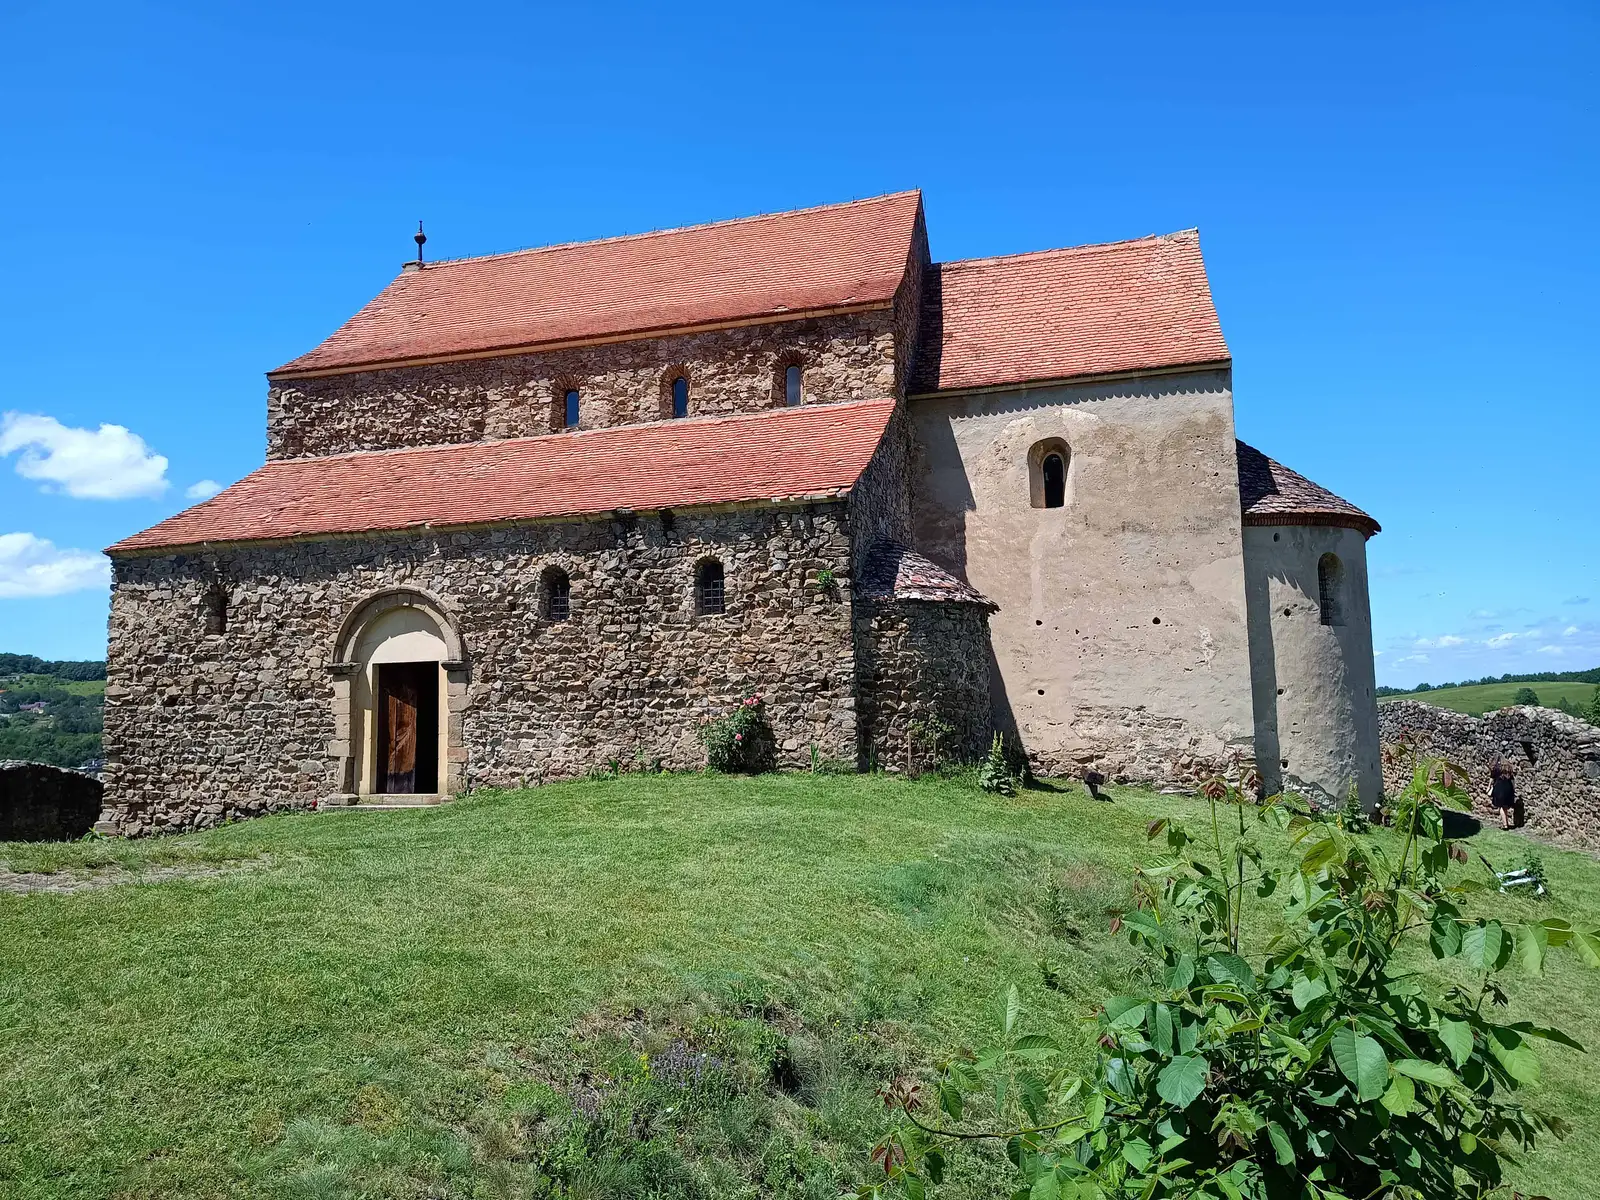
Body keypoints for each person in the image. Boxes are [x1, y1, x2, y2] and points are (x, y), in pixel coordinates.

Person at [1488, 759, 1516, 831]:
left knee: (1501, 807)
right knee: (1505, 807)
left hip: (1499, 789)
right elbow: (1513, 781)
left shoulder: (1497, 769)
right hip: (1508, 789)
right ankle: (1506, 822)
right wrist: (1513, 790)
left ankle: (1505, 825)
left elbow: (1492, 777)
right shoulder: (1509, 771)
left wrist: (1489, 786)